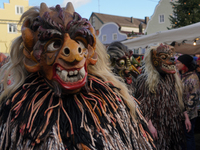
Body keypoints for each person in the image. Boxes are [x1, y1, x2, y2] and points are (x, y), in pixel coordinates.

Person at [0, 2, 156, 149]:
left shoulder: (113, 102)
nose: (74, 53)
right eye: (54, 44)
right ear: (32, 56)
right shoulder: (18, 111)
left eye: (79, 42)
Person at [135, 44, 191, 150]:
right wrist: (149, 125)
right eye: (164, 57)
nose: (172, 59)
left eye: (171, 56)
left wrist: (186, 117)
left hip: (174, 125)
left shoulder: (172, 77)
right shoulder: (145, 80)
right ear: (153, 60)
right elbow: (143, 105)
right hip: (158, 125)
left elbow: (180, 97)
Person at [176, 54, 200, 150]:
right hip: (181, 114)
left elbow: (194, 98)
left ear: (185, 64)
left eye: (178, 63)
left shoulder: (193, 78)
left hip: (189, 116)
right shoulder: (182, 76)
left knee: (189, 137)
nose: (176, 64)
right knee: (182, 138)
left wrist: (187, 116)